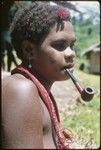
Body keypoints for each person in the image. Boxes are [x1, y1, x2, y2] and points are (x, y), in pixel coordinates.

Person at [2, 2, 76, 149]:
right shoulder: (20, 90)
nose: (71, 53)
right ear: (29, 50)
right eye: (60, 45)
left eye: (72, 45)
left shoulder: (39, 90)